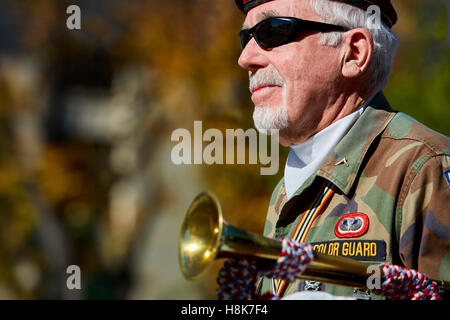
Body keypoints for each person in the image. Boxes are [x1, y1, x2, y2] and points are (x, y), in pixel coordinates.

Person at [234, 0, 450, 299]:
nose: (245, 58)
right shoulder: (286, 189)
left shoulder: (426, 167)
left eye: (273, 31)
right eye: (245, 38)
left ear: (354, 53)